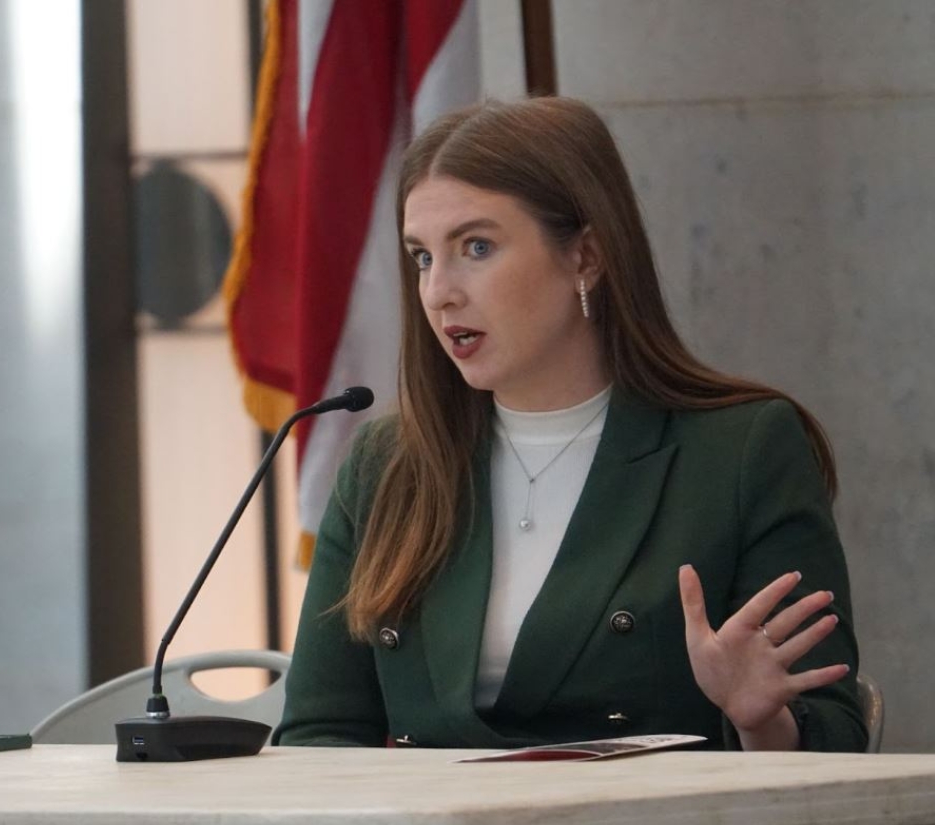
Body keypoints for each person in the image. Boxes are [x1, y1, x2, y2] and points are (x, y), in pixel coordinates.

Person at [273, 96, 865, 752]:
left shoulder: (741, 449)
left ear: (586, 256)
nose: (441, 290)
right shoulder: (386, 465)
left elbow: (835, 741)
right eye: (422, 257)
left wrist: (761, 719)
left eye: (476, 246)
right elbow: (319, 737)